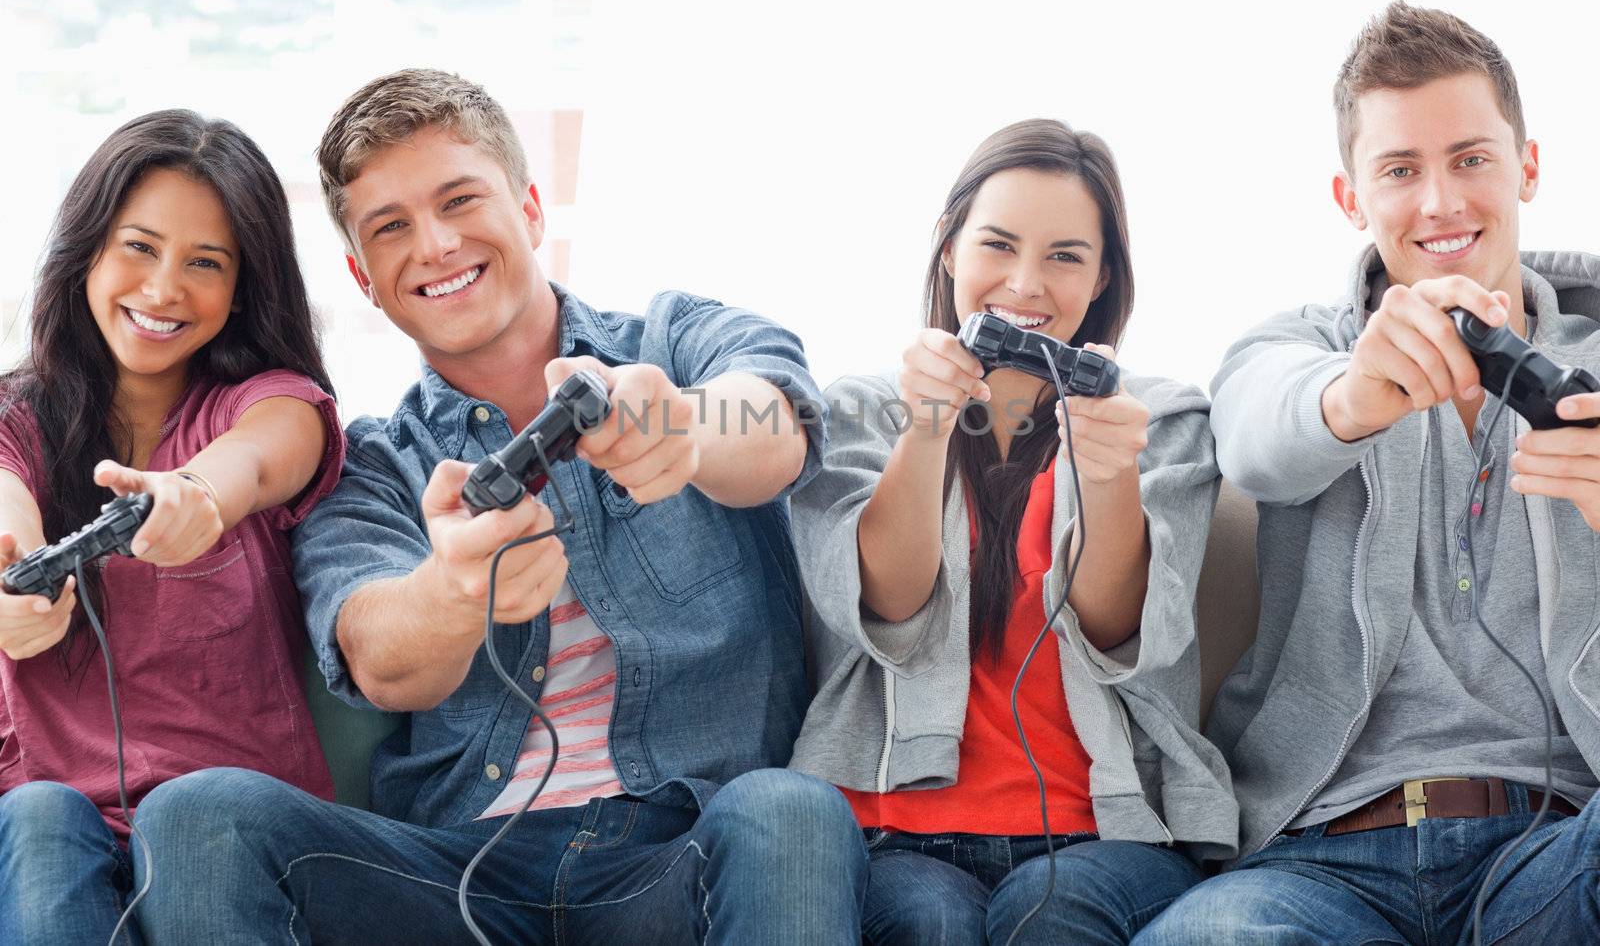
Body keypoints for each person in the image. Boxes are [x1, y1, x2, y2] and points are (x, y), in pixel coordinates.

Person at [132, 69, 867, 944]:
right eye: (391, 227)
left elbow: (776, 419)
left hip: (686, 852)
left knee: (791, 812)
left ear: (528, 208)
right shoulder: (368, 461)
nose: (435, 244)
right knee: (196, 816)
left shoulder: (679, 339)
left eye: (459, 200)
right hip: (458, 875)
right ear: (364, 276)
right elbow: (376, 654)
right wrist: (451, 588)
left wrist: (686, 429)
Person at [1138, 2, 1600, 944]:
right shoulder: (1297, 349)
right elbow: (1256, 436)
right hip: (1321, 859)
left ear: (1528, 168)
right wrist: (1353, 396)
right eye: (1400, 170)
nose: (1441, 202)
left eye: (1471, 157)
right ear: (1352, 199)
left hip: (1560, 847)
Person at [789, 119, 1236, 945]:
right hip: (896, 827)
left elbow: (1119, 630)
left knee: (1049, 910)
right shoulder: (858, 408)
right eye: (998, 245)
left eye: (1066, 256)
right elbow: (886, 605)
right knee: (930, 921)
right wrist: (923, 429)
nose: (1027, 284)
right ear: (951, 250)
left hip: (1103, 833)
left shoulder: (1161, 419)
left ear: (1103, 278)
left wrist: (1106, 476)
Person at [0, 110, 344, 944]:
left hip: (231, 842)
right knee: (42, 817)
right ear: (88, 248)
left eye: (205, 263)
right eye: (139, 247)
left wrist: (196, 495)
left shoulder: (275, 402)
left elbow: (260, 459)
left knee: (196, 818)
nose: (162, 289)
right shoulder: (15, 420)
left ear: (241, 289)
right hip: (44, 828)